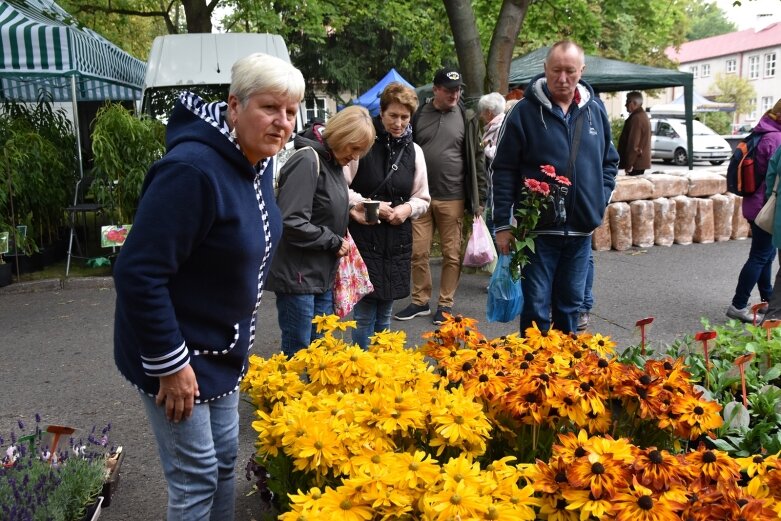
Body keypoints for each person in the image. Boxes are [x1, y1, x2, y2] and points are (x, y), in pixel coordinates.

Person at [113, 53, 305, 520]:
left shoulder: (253, 162)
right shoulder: (192, 170)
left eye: (291, 111)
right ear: (234, 107)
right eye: (270, 108)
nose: (282, 122)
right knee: (196, 478)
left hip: (221, 351)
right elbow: (138, 272)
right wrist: (170, 365)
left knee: (222, 465)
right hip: (178, 354)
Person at [492, 40, 619, 334]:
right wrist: (502, 224)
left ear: (582, 71)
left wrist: (598, 200)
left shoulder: (595, 111)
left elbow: (609, 162)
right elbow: (503, 170)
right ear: (545, 69)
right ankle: (534, 374)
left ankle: (566, 374)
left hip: (580, 232)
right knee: (536, 307)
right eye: (556, 71)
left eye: (570, 72)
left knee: (570, 306)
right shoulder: (523, 112)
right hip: (536, 231)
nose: (563, 79)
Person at [267, 105, 376, 357]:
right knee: (300, 355)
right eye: (354, 148)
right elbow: (291, 220)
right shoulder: (307, 159)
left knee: (321, 355)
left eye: (361, 151)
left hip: (321, 277)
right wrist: (333, 241)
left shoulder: (333, 161)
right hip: (299, 278)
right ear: (340, 136)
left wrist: (350, 212)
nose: (355, 157)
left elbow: (319, 206)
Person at [394, 67, 486, 325]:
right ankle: (420, 301)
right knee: (417, 251)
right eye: (448, 90)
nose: (454, 94)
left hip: (454, 196)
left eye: (458, 90)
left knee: (452, 254)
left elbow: (477, 159)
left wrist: (480, 198)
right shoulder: (419, 113)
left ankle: (445, 304)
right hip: (420, 197)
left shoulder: (467, 117)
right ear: (435, 89)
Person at [344, 83, 430, 348]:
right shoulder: (363, 141)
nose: (399, 122)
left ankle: (384, 370)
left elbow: (423, 198)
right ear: (381, 113)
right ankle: (362, 367)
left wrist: (407, 209)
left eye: (405, 117)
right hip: (365, 236)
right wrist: (368, 204)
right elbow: (340, 188)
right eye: (393, 115)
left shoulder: (415, 151)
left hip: (397, 239)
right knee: (365, 314)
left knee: (386, 313)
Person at [728, 99, 781, 322]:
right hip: (765, 207)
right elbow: (772, 179)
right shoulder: (776, 138)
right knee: (760, 256)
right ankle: (738, 305)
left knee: (765, 256)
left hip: (755, 204)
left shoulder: (763, 131)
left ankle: (767, 299)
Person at [478, 92, 507, 238]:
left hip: (497, 183)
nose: (481, 116)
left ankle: (496, 259)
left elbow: (499, 153)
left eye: (483, 112)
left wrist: (483, 147)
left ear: (489, 112)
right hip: (491, 183)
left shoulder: (501, 126)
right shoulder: (494, 127)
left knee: (493, 224)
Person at [617, 91, 652, 176]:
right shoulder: (641, 115)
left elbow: (633, 145)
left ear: (634, 103)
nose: (625, 105)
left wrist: (629, 164)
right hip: (638, 163)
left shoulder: (637, 118)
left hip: (635, 164)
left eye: (627, 102)